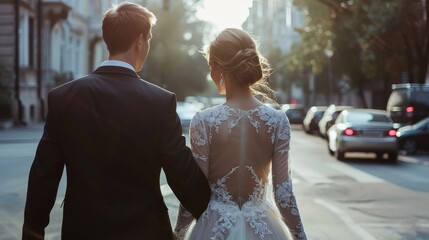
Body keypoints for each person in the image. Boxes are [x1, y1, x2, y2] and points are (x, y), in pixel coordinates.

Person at [22, 3, 210, 240]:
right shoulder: (160, 101)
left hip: (82, 231)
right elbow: (181, 172)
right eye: (149, 40)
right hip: (145, 231)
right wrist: (213, 209)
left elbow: (43, 176)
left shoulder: (63, 98)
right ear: (140, 41)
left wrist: (32, 233)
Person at [173, 28, 307, 240]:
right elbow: (283, 194)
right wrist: (300, 236)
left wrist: (179, 232)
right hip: (264, 228)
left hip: (215, 228)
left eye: (210, 66)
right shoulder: (277, 120)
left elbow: (195, 191)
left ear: (219, 68)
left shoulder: (204, 121)